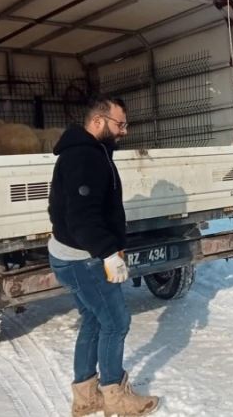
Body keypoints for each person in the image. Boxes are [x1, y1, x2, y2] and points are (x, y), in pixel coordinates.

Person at [48, 95, 159, 417]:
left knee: (94, 321)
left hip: (73, 254)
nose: (124, 131)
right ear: (98, 122)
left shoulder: (89, 152)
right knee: (115, 323)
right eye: (119, 124)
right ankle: (116, 398)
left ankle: (86, 397)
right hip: (83, 259)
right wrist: (108, 253)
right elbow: (82, 217)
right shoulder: (84, 157)